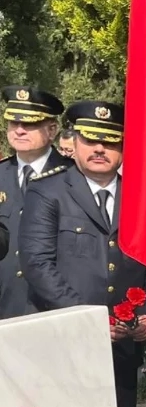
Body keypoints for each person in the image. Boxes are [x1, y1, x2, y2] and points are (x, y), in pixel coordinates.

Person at [20, 100, 146, 407]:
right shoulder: (48, 191)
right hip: (63, 337)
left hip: (122, 342)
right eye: (90, 139)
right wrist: (89, 319)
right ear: (74, 141)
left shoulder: (142, 195)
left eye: (110, 141)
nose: (100, 149)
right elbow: (38, 265)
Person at [0, 86, 73, 319]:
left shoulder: (74, 176)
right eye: (14, 122)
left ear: (52, 130)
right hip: (5, 304)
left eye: (30, 124)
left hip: (57, 306)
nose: (20, 130)